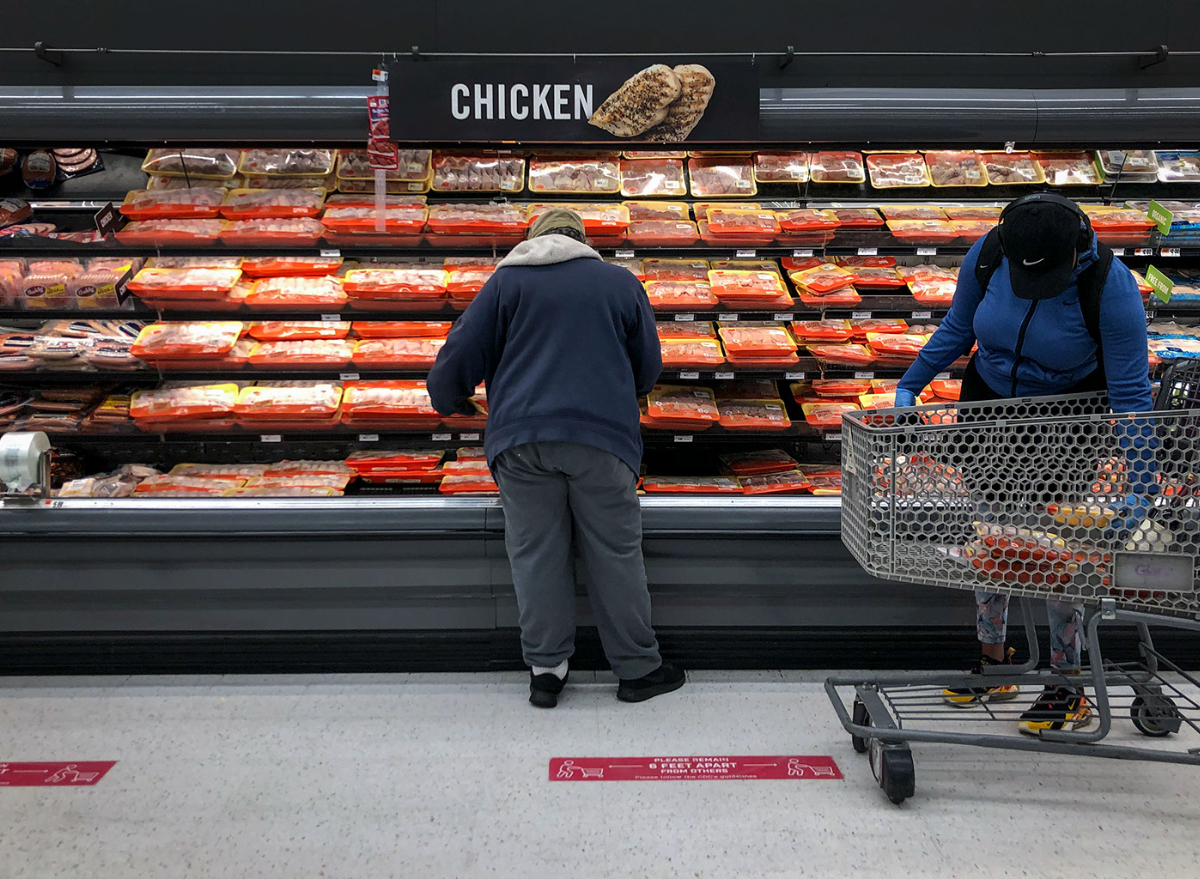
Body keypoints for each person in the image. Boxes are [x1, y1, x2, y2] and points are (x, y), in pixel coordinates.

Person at [894, 192, 1152, 735]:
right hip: (987, 409)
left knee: (1053, 550)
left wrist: (1142, 483)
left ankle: (1068, 683)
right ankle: (997, 661)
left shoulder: (1111, 286)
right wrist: (911, 384)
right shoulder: (989, 252)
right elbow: (959, 326)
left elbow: (1130, 394)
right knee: (991, 535)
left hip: (1064, 424)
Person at [427, 208, 685, 709]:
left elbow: (456, 359)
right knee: (615, 552)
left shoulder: (504, 285)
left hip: (521, 443)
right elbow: (648, 368)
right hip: (602, 440)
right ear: (582, 241)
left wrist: (451, 400)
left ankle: (547, 672)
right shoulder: (618, 283)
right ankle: (638, 670)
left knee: (535, 553)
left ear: (533, 241)